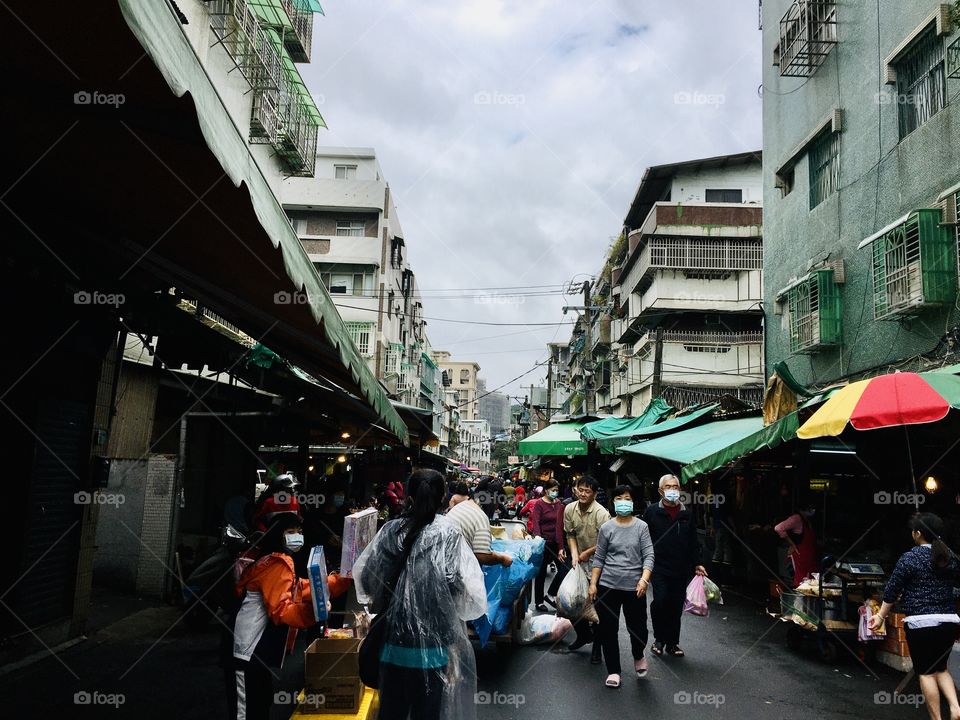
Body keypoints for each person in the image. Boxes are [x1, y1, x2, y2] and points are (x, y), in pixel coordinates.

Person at [354, 470, 486, 720]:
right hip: (434, 651)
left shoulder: (390, 531)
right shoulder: (448, 534)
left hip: (392, 647)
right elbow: (465, 591)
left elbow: (366, 580)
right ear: (443, 497)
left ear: (409, 496)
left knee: (391, 713)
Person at [869, 513, 960, 720]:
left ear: (917, 534)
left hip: (921, 623)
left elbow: (892, 590)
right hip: (948, 622)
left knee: (926, 673)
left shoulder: (910, 557)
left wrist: (881, 616)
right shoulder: (950, 557)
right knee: (941, 668)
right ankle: (956, 708)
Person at [232, 512, 317, 720]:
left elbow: (299, 588)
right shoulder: (277, 564)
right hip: (246, 650)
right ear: (278, 534)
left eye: (299, 532)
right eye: (290, 532)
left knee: (261, 702)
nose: (296, 536)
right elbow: (282, 610)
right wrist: (314, 612)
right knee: (249, 710)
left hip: (254, 651)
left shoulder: (272, 560)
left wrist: (334, 582)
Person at [588, 484, 655, 688]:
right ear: (613, 502)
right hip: (608, 586)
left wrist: (644, 580)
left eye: (626, 498)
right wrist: (593, 584)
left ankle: (638, 653)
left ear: (633, 502)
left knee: (639, 629)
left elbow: (649, 556)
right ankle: (614, 671)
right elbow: (599, 558)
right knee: (608, 630)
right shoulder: (607, 527)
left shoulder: (641, 526)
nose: (622, 502)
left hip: (635, 587)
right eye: (618, 498)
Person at [642, 474, 706, 659]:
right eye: (668, 487)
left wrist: (698, 563)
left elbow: (693, 541)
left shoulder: (686, 513)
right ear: (661, 491)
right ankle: (659, 639)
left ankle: (672, 643)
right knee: (661, 601)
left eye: (676, 487)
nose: (672, 490)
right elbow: (644, 540)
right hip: (658, 566)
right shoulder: (652, 512)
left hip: (680, 568)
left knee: (676, 605)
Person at [563, 476, 611, 662]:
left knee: (596, 605)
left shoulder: (602, 514)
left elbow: (605, 543)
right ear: (575, 489)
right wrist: (575, 555)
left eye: (587, 491)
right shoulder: (569, 509)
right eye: (580, 489)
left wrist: (587, 553)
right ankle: (583, 634)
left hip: (600, 562)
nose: (583, 493)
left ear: (595, 494)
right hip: (579, 561)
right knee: (571, 601)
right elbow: (570, 534)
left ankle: (598, 648)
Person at [446, 483, 513, 567]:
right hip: (456, 567)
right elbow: (482, 556)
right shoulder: (480, 517)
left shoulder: (462, 505)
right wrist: (503, 559)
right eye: (497, 504)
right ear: (491, 499)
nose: (496, 508)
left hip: (446, 559)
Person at [530, 479, 569, 610]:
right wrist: (539, 538)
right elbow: (536, 523)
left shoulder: (559, 504)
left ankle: (552, 595)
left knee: (565, 570)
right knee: (540, 573)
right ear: (546, 490)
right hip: (544, 543)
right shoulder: (539, 504)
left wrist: (562, 544)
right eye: (553, 490)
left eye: (557, 490)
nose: (555, 492)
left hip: (558, 542)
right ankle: (539, 601)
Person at [774, 498, 818, 588]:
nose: (813, 510)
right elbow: (778, 528)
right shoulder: (796, 518)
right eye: (811, 508)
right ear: (804, 508)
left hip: (809, 557)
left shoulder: (807, 520)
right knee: (801, 584)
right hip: (800, 556)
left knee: (812, 584)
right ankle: (799, 602)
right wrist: (792, 544)